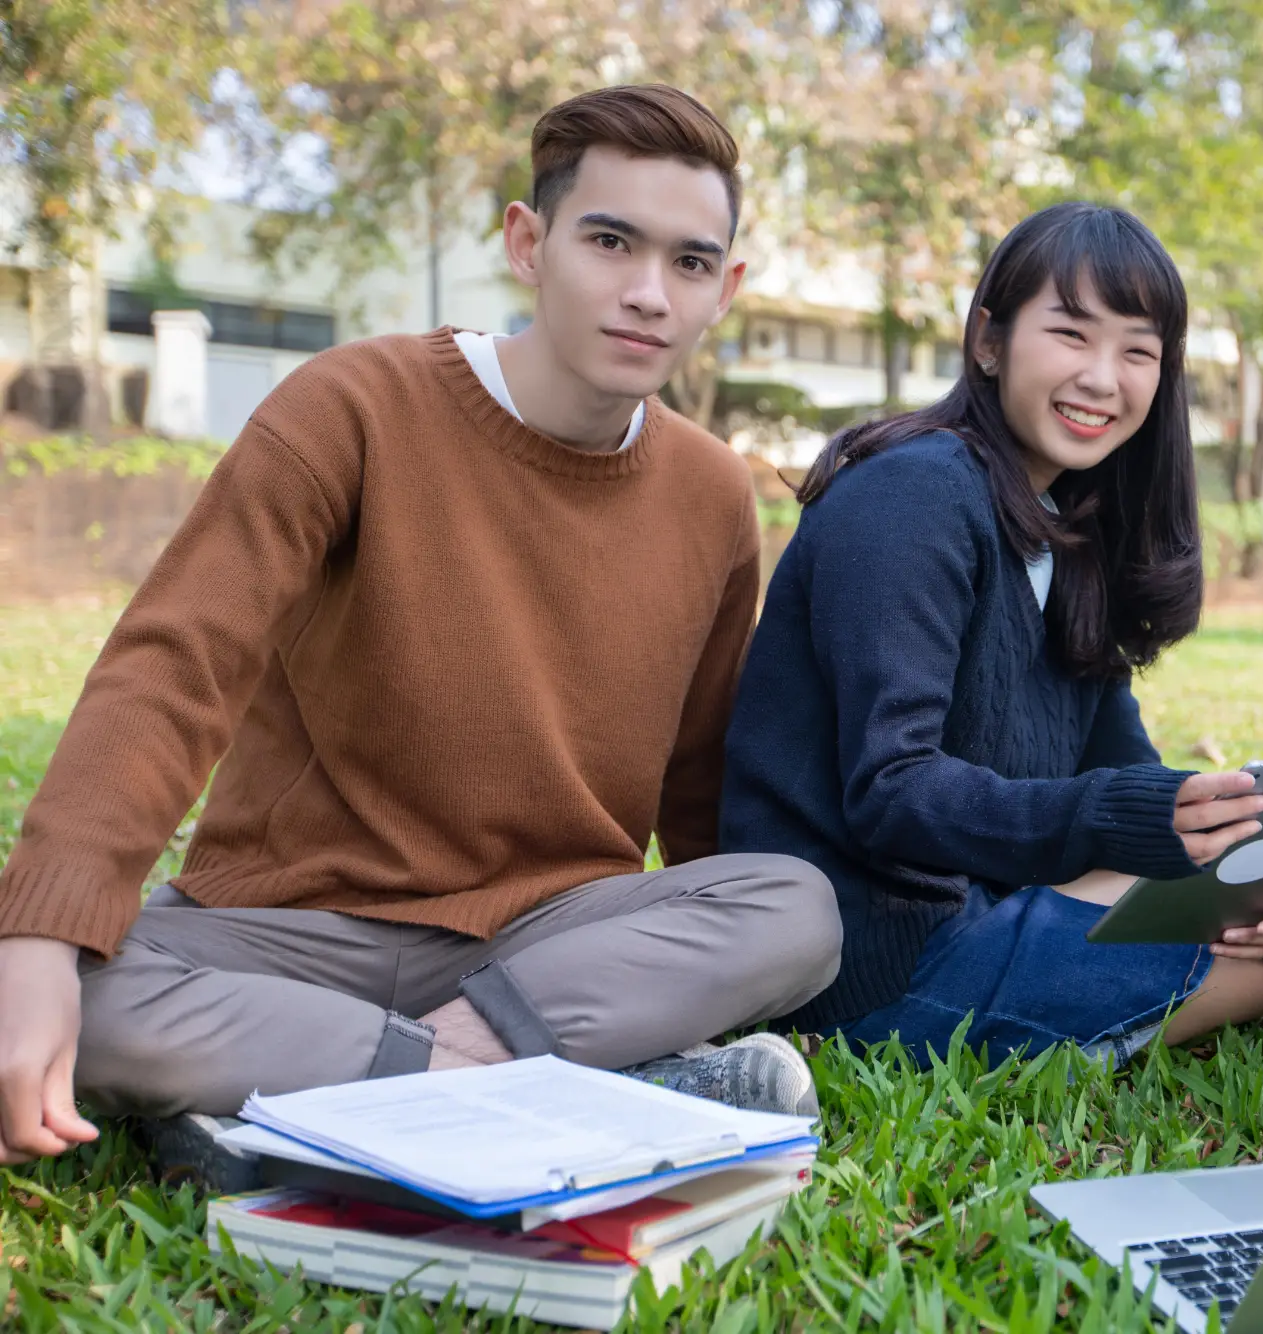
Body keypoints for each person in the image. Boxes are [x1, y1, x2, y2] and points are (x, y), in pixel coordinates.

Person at [0, 84, 844, 1172]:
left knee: (795, 908)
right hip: (288, 931)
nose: (646, 292)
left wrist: (712, 965)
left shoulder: (711, 495)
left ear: (724, 287)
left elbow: (696, 776)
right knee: (77, 988)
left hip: (545, 941)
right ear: (526, 243)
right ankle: (521, 1088)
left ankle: (301, 1098)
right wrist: (35, 939)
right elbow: (175, 665)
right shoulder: (350, 406)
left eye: (687, 262)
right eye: (608, 240)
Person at [720, 202, 1263, 1067]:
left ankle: (1076, 1031)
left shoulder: (1069, 529)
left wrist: (1218, 842)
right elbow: (891, 788)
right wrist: (1125, 823)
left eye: (1138, 351)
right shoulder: (913, 496)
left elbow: (1121, 768)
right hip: (868, 959)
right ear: (988, 340)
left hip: (980, 905)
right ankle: (1044, 1044)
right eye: (1072, 333)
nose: (1102, 377)